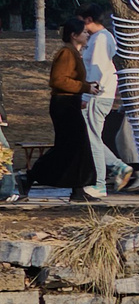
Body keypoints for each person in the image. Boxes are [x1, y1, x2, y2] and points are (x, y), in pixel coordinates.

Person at [27, 20, 104, 199]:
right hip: (64, 105)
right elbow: (58, 80)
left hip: (70, 103)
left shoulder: (74, 53)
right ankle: (31, 175)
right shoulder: (67, 53)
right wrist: (85, 87)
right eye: (84, 32)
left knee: (75, 147)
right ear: (74, 35)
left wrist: (86, 87)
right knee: (70, 146)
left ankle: (78, 189)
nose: (87, 35)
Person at [79, 7, 129, 191]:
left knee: (92, 138)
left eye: (80, 21)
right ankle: (117, 166)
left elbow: (96, 69)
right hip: (102, 94)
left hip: (96, 96)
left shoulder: (100, 39)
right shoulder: (103, 37)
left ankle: (100, 183)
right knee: (91, 137)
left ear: (88, 19)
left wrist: (86, 94)